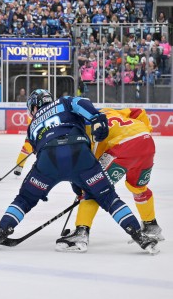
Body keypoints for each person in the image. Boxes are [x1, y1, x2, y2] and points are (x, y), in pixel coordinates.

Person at [0, 89, 159, 254]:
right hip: (81, 153)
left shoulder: (32, 125)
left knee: (24, 199)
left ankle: (1, 231)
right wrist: (96, 117)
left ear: (34, 107)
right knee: (108, 197)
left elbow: (39, 152)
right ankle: (138, 234)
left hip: (48, 161)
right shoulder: (64, 102)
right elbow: (83, 104)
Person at [55, 107, 164, 251]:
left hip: (124, 145)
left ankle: (81, 232)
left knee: (93, 188)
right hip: (146, 142)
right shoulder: (107, 111)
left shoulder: (83, 133)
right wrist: (145, 132)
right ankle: (151, 226)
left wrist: (81, 188)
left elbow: (91, 166)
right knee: (138, 188)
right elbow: (139, 112)